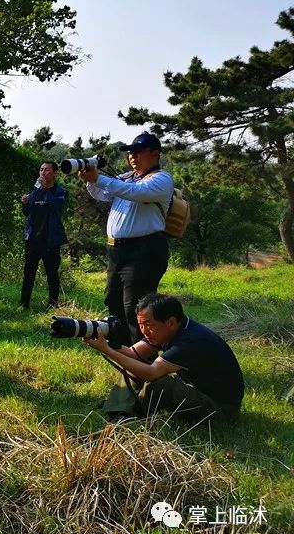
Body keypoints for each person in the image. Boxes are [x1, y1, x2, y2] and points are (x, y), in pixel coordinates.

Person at [83, 293, 244, 423]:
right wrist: (106, 341)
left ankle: (128, 413)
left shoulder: (191, 340)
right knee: (133, 365)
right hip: (198, 392)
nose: (144, 330)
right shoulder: (171, 330)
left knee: (162, 383)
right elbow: (133, 353)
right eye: (140, 324)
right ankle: (119, 411)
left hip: (221, 411)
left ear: (171, 322)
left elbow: (151, 373)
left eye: (149, 324)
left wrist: (107, 350)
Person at [79, 132, 174, 347]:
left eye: (138, 152)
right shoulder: (127, 178)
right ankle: (124, 357)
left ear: (155, 154)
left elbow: (134, 192)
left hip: (144, 251)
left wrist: (99, 178)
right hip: (117, 252)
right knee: (114, 306)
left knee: (136, 310)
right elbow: (102, 194)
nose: (133, 156)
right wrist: (90, 180)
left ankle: (143, 366)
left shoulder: (161, 179)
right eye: (130, 153)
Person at [20, 161, 68, 310]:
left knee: (52, 274)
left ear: (54, 173)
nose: (43, 173)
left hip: (50, 241)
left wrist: (45, 189)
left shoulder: (60, 191)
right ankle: (23, 304)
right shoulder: (35, 191)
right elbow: (27, 212)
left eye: (46, 170)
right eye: (41, 170)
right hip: (33, 239)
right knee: (28, 274)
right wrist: (25, 202)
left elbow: (57, 207)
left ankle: (52, 305)